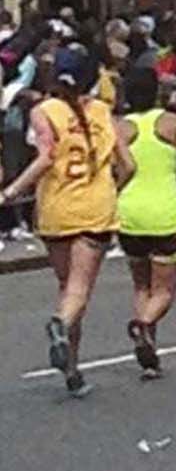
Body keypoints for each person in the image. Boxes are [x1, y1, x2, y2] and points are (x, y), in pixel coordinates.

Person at [0, 48, 135, 397]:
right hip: (95, 209)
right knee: (79, 291)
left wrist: (11, 191)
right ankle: (60, 328)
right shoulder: (103, 112)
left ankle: (72, 371)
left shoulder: (43, 111)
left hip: (56, 208)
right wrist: (112, 188)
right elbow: (129, 165)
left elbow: (46, 157)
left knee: (67, 288)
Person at [116, 68, 176, 380]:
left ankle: (149, 351)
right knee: (164, 290)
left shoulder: (121, 128)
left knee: (141, 283)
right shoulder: (170, 122)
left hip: (130, 212)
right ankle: (144, 325)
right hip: (164, 210)